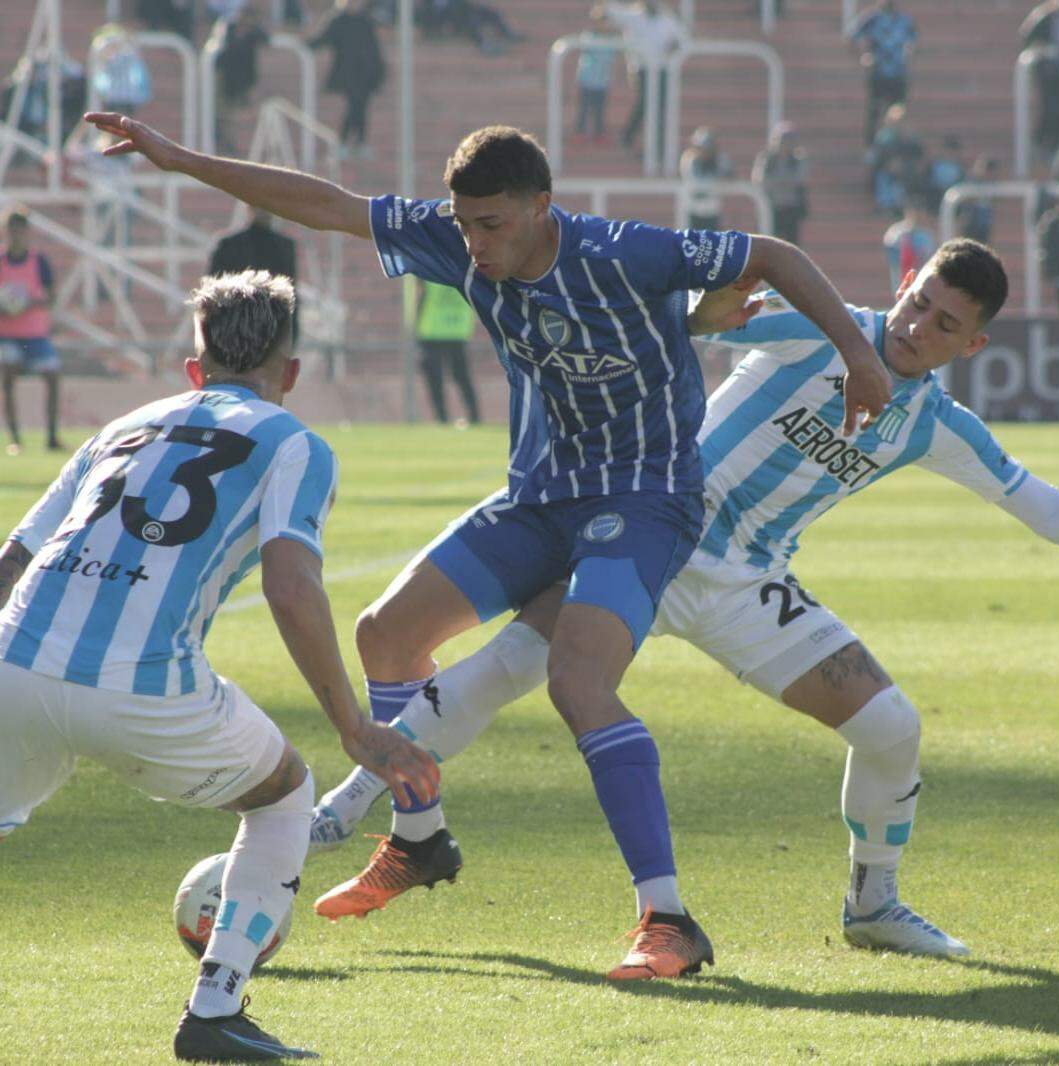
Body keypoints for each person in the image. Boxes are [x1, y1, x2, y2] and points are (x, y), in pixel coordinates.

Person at [82, 109, 891, 979]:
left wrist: (857, 352)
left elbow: (771, 253)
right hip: (539, 496)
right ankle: (421, 842)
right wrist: (176, 159)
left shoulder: (627, 250)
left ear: (543, 205)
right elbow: (326, 205)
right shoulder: (452, 238)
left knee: (578, 684)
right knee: (386, 632)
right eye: (463, 222)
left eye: (492, 224)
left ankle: (668, 919)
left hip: (645, 496)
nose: (472, 242)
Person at [313, 239, 1036, 959]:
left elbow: (1038, 504)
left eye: (944, 325)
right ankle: (342, 810)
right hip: (652, 533)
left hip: (746, 582)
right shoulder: (818, 326)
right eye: (919, 304)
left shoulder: (935, 424)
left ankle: (873, 907)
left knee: (892, 728)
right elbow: (689, 324)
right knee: (513, 665)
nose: (917, 328)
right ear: (905, 283)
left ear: (971, 345)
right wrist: (701, 310)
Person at [0, 269, 438, 1062]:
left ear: (193, 369)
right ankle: (215, 1011)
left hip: (14, 661)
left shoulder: (121, 426)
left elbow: (13, 561)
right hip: (143, 687)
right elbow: (292, 585)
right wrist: (352, 725)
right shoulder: (297, 442)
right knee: (284, 793)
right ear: (292, 374)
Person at [0, 207, 61, 456]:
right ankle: (15, 438)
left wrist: (28, 303)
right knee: (9, 374)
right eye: (12, 230)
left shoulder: (39, 261)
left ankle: (51, 436)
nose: (16, 235)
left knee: (53, 375)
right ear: (6, 232)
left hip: (36, 335)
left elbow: (51, 297)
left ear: (27, 232)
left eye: (21, 230)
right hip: (7, 335)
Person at [605, 0, 683, 165]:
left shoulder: (666, 18)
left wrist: (674, 46)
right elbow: (608, 10)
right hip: (642, 68)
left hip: (662, 69)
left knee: (658, 108)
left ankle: (655, 147)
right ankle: (630, 136)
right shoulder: (633, 15)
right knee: (647, 102)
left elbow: (681, 38)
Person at [308, 0, 386, 159]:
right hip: (348, 73)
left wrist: (379, 70)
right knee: (354, 106)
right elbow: (323, 38)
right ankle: (344, 142)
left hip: (366, 73)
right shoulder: (338, 20)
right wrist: (305, 44)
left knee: (362, 107)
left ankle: (360, 143)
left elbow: (374, 48)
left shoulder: (366, 20)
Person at [209, 208, 299, 345]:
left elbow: (291, 294)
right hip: (236, 332)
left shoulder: (285, 247)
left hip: (266, 332)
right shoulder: (228, 246)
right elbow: (213, 295)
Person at [850, 0, 917, 146]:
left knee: (898, 111)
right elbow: (852, 37)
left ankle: (896, 144)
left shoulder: (904, 20)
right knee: (875, 110)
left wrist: (908, 55)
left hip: (898, 72)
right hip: (879, 72)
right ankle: (871, 146)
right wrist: (863, 56)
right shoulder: (872, 19)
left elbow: (914, 41)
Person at [414, 278, 480, 425]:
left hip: (431, 329)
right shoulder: (465, 269)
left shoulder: (427, 268)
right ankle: (474, 417)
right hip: (458, 328)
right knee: (462, 377)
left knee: (435, 379)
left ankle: (442, 418)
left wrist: (415, 324)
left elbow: (420, 296)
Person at [207, 3, 269, 157]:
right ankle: (223, 143)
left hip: (244, 81)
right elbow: (220, 53)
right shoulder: (227, 28)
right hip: (226, 79)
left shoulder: (254, 33)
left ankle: (240, 146)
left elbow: (266, 39)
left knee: (237, 114)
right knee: (223, 114)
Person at [1020, 0, 1059, 160]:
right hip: (1052, 74)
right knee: (1054, 109)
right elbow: (1027, 38)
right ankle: (1045, 146)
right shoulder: (1045, 17)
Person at [752, 121, 810, 245]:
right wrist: (783, 182)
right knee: (770, 244)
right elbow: (760, 180)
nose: (784, 144)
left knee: (792, 245)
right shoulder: (767, 159)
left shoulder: (798, 160)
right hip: (772, 208)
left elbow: (800, 179)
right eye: (782, 140)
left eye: (788, 140)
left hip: (791, 209)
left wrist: (778, 181)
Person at [573, 5, 618, 143]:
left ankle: (599, 134)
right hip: (587, 79)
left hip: (602, 81)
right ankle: (579, 133)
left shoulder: (612, 40)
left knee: (599, 109)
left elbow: (611, 57)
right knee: (584, 109)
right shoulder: (589, 36)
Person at [679, 126, 734, 232]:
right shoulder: (689, 160)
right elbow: (696, 182)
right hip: (692, 211)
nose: (706, 152)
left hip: (712, 211)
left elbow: (729, 176)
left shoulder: (720, 160)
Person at [883, 197, 935, 290]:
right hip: (901, 270)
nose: (915, 215)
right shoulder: (896, 231)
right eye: (913, 212)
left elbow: (929, 254)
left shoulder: (925, 234)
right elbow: (890, 247)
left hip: (919, 270)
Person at [956, 155, 998, 245]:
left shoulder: (992, 184)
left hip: (984, 225)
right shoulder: (970, 181)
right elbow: (965, 201)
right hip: (970, 223)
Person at [923, 134, 966, 216]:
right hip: (935, 199)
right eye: (948, 150)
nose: (949, 153)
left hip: (954, 200)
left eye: (952, 151)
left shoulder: (960, 168)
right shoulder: (933, 166)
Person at [1037, 197, 1059, 310]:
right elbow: (1045, 242)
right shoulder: (1052, 223)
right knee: (1057, 283)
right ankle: (1056, 305)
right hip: (1056, 260)